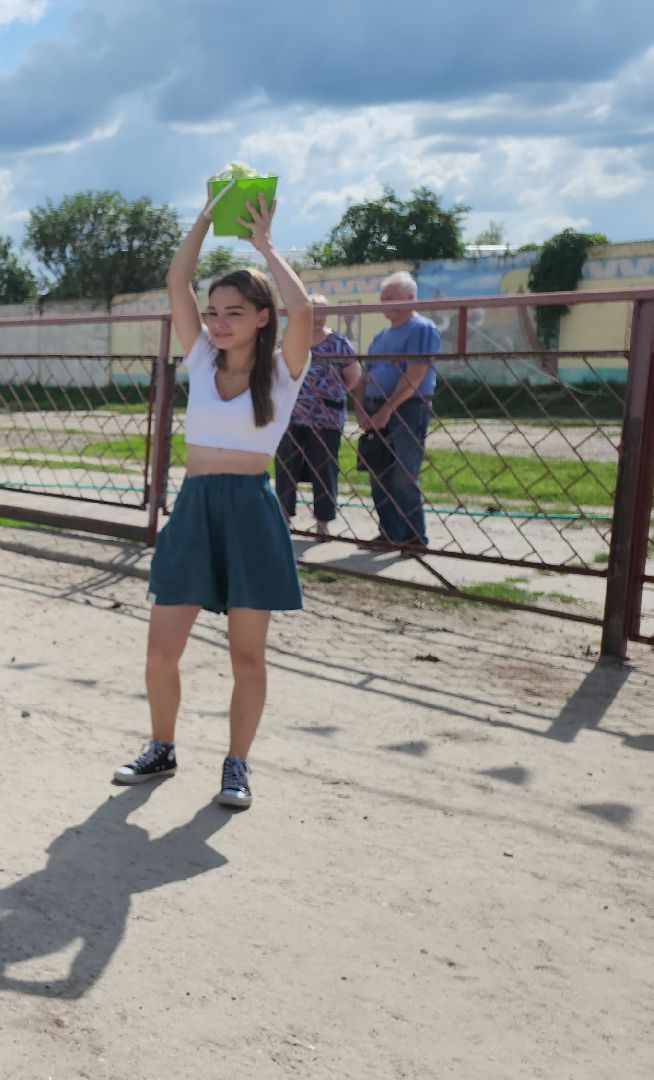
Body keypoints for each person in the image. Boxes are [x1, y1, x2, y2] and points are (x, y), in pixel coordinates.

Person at [113, 190, 313, 810]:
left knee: (247, 656)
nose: (218, 321)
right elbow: (177, 280)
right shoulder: (200, 360)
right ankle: (162, 747)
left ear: (260, 317)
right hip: (196, 509)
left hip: (251, 511)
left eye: (234, 312)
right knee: (160, 649)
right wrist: (205, 215)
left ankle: (237, 766)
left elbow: (303, 309)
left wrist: (264, 246)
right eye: (214, 311)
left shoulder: (283, 371)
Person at [357, 271, 439, 548]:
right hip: (376, 406)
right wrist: (361, 408)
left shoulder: (422, 329)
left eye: (391, 298)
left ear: (410, 298)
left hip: (407, 408)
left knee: (404, 474)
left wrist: (387, 409)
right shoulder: (381, 335)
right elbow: (365, 375)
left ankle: (414, 537)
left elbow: (415, 375)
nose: (385, 305)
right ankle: (390, 534)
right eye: (382, 300)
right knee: (379, 474)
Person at [273, 294, 361, 539]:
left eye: (323, 311)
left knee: (324, 469)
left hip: (326, 418)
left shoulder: (339, 343)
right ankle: (283, 517)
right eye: (314, 311)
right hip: (291, 416)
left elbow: (352, 378)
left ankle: (323, 523)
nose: (318, 316)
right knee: (286, 466)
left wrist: (326, 394)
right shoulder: (290, 340)